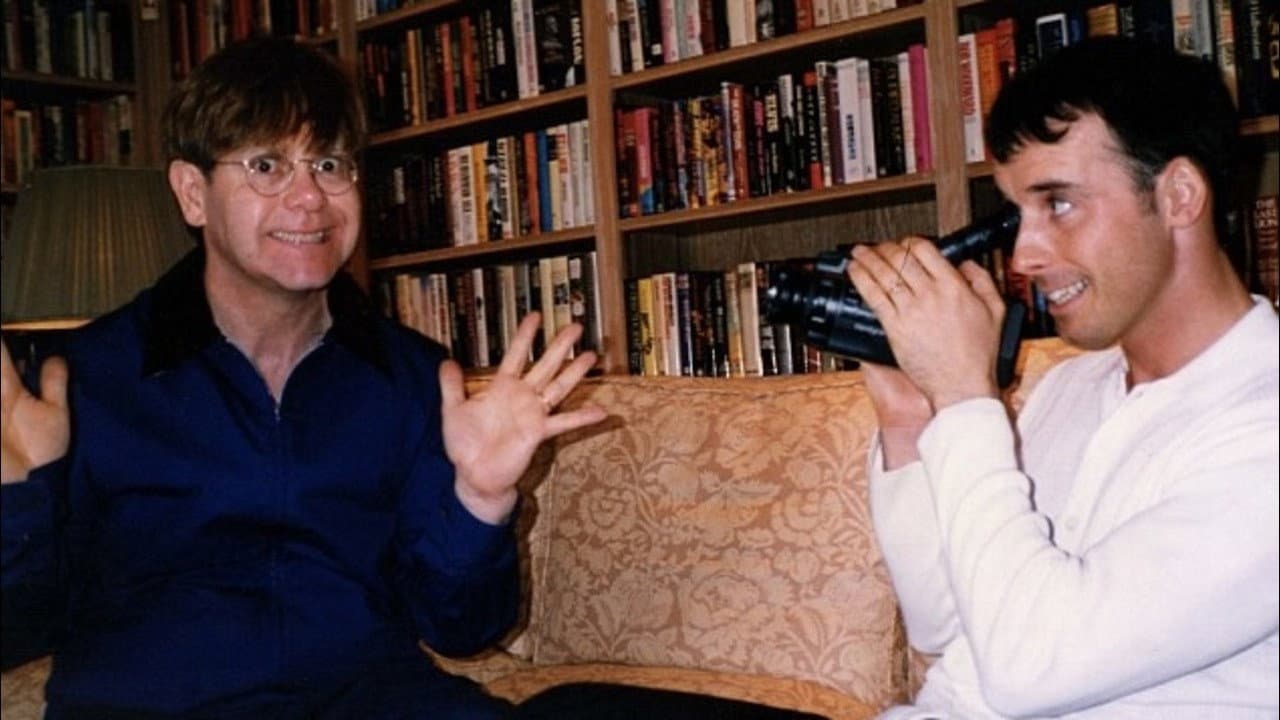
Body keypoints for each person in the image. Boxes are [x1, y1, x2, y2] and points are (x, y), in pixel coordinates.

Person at [0, 36, 605, 719]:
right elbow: (17, 632)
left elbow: (460, 628)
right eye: (267, 166)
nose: (310, 197)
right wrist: (17, 503)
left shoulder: (410, 376)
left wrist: (480, 499)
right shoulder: (86, 379)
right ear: (192, 193)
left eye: (329, 164)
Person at [845, 36, 1278, 718]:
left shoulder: (1264, 423)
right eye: (1018, 213)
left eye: (1059, 204)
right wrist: (914, 420)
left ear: (1179, 195)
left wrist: (966, 397)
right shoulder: (1072, 388)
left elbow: (1027, 670)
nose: (1023, 255)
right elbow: (945, 626)